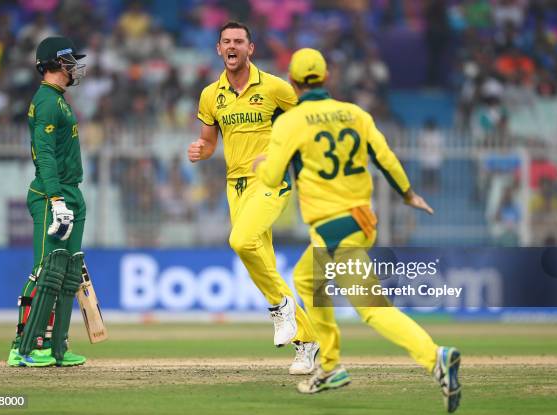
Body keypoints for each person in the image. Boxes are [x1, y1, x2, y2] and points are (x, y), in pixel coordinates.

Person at [253, 48, 462, 412]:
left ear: (293, 81)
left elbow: (272, 177)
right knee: (305, 279)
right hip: (361, 220)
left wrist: (260, 164)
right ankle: (330, 366)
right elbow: (386, 159)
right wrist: (408, 193)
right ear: (327, 78)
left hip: (333, 231)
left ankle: (435, 357)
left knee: (372, 309)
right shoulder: (355, 113)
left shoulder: (291, 122)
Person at [187, 21, 319, 375]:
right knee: (263, 264)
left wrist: (278, 152)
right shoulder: (210, 95)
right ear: (218, 49)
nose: (232, 46)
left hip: (270, 180)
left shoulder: (275, 87)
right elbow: (211, 140)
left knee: (241, 241)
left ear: (250, 49)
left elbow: (305, 124)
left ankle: (280, 310)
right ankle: (306, 344)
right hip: (236, 186)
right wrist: (202, 149)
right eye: (226, 41)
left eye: (239, 41)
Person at [7, 36, 88, 367]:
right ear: (54, 64)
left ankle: (57, 346)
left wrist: (67, 197)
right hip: (51, 193)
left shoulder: (59, 100)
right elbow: (45, 153)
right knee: (46, 270)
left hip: (71, 192)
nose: (74, 67)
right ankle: (24, 346)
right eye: (69, 61)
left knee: (68, 272)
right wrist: (55, 198)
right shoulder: (47, 101)